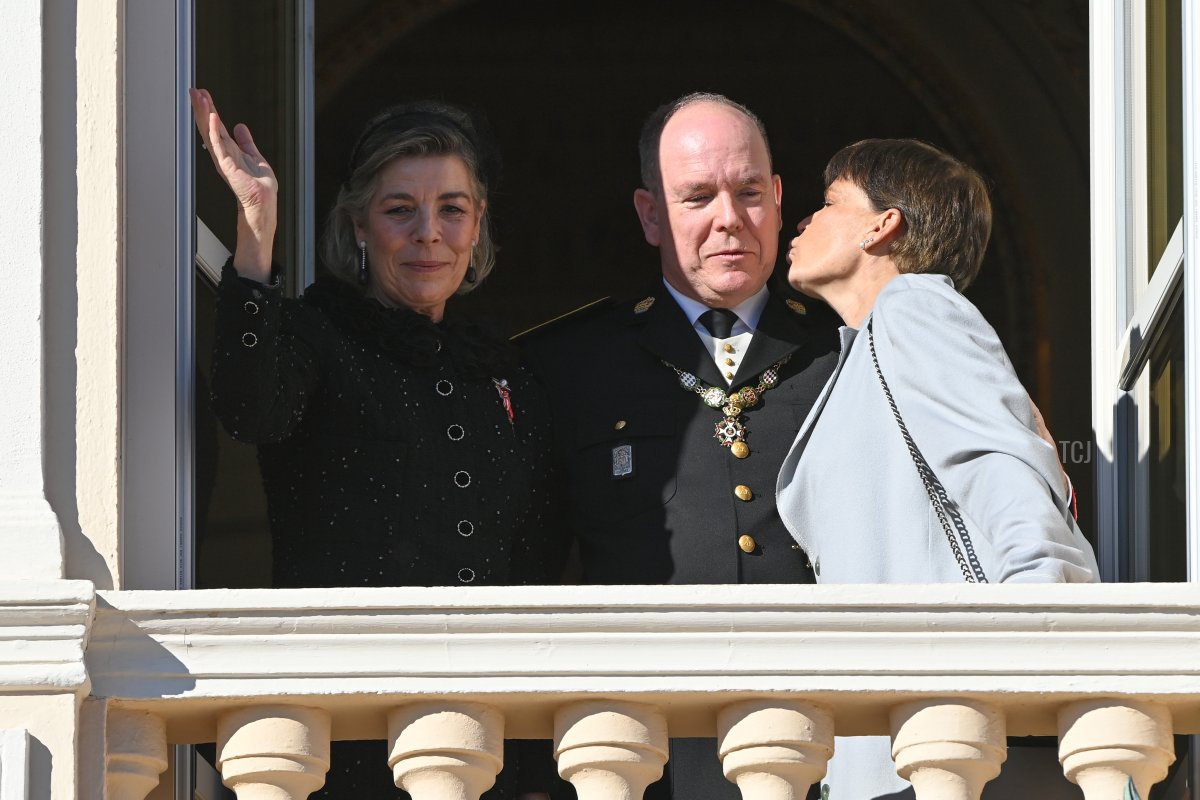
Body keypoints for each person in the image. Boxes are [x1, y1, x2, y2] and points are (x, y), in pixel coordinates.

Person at [190, 89, 562, 799]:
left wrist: (537, 768)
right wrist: (256, 234)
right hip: (342, 741)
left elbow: (538, 561)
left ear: (477, 225)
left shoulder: (501, 372)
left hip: (486, 746)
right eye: (400, 210)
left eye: (452, 208)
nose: (429, 232)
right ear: (359, 225)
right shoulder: (319, 336)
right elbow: (250, 410)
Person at [523, 93, 841, 800]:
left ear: (780, 198)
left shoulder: (846, 349)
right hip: (643, 762)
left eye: (749, 192)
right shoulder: (572, 364)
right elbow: (531, 581)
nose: (729, 218)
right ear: (650, 216)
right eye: (698, 196)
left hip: (824, 752)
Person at [777, 138, 1100, 798]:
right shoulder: (863, 353)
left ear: (882, 224)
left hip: (954, 745)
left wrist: (1047, 643)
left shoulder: (916, 308)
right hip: (896, 751)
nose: (804, 220)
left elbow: (1004, 476)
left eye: (829, 202)